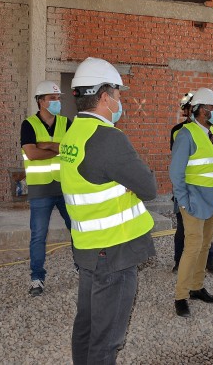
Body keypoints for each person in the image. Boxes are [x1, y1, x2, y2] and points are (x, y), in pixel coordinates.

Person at [59, 57, 156, 364]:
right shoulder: (109, 139)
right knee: (106, 340)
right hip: (114, 253)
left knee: (86, 327)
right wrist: (129, 184)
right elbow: (149, 187)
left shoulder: (72, 135)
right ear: (103, 97)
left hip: (88, 249)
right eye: (117, 93)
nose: (120, 100)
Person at [170, 87, 213, 317]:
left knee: (204, 245)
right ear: (201, 110)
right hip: (193, 201)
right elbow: (176, 173)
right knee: (192, 247)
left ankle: (196, 287)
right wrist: (183, 202)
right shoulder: (186, 134)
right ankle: (180, 296)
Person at [20, 80, 73, 297]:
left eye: (58, 98)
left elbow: (71, 150)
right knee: (38, 235)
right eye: (52, 98)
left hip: (66, 186)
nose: (57, 102)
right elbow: (31, 153)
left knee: (77, 230)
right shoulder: (28, 124)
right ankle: (37, 278)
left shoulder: (67, 123)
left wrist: (47, 145)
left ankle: (82, 267)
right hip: (40, 188)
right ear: (41, 102)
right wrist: (58, 149)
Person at [170, 92, 213, 274]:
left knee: (205, 236)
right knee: (185, 231)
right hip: (189, 192)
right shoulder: (181, 132)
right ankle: (179, 261)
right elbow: (178, 166)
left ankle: (208, 262)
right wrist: (182, 198)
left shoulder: (211, 132)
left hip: (209, 192)